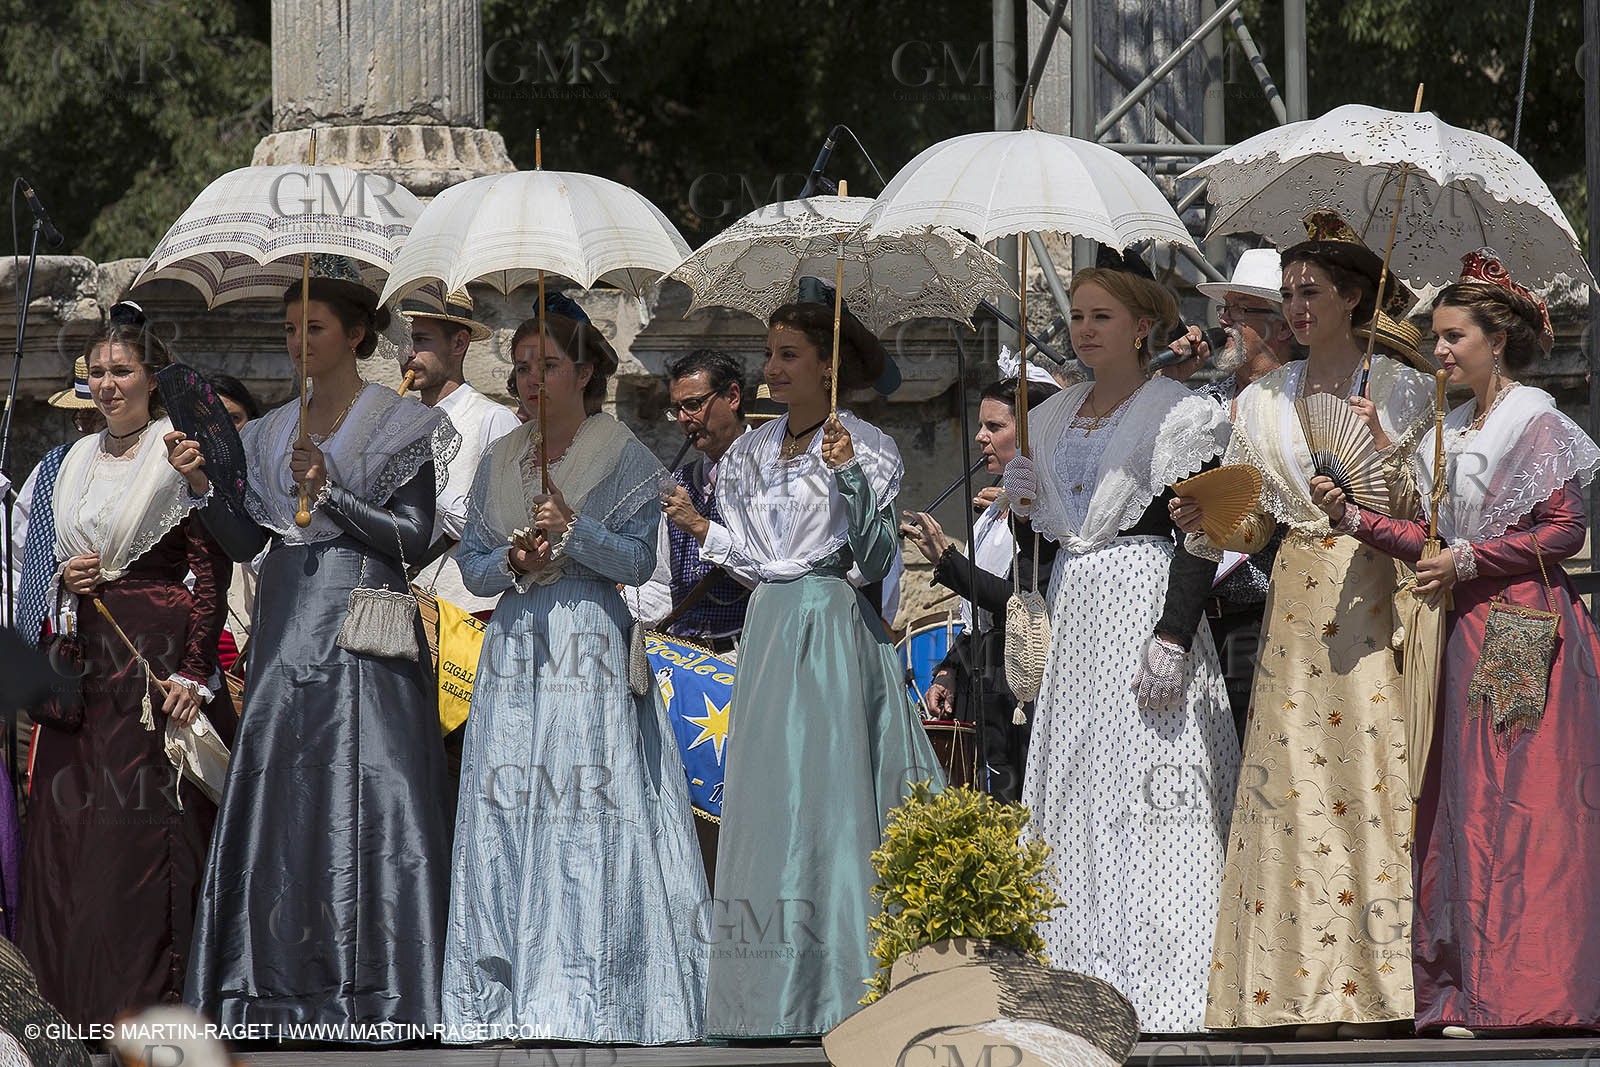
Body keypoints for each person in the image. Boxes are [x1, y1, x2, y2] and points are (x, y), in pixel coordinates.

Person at [1311, 250, 1600, 1037]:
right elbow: (1432, 538)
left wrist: (1474, 557)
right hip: (1464, 625)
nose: (1437, 350)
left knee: (1523, 801)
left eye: (1452, 336)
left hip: (1524, 623)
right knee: (1465, 804)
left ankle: (1529, 989)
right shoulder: (1455, 425)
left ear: (1495, 339)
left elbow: (1566, 527)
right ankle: (1468, 989)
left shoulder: (1532, 417)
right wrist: (1354, 518)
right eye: (1435, 337)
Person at [170, 255, 450, 1032]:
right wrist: (203, 488)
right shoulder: (263, 434)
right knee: (283, 793)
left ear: (357, 334)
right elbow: (245, 539)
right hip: (288, 623)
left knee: (374, 787)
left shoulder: (402, 423)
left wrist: (332, 490)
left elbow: (415, 537)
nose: (299, 341)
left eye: (315, 327)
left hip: (365, 621)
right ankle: (266, 990)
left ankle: (384, 991)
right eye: (290, 328)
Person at [1173, 211, 1434, 1036]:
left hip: (1373, 588)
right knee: (1292, 785)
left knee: (1369, 768)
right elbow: (1256, 526)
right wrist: (1208, 516)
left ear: (1354, 296)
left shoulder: (1400, 388)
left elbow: (1429, 513)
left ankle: (1382, 981)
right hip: (1294, 596)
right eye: (1286, 292)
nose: (1295, 304)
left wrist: (1379, 463)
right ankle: (1290, 983)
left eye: (1311, 290)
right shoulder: (1260, 400)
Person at [443, 299, 707, 1043]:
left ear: (586, 371)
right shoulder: (502, 458)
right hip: (518, 643)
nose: (530, 379)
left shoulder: (621, 452)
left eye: (547, 364)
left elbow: (636, 559)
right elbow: (472, 563)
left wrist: (574, 529)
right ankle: (502, 989)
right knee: (509, 806)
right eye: (521, 367)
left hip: (588, 638)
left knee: (584, 806)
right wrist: (511, 559)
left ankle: (589, 987)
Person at [999, 260, 1236, 1034]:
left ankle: (1165, 988)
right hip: (1075, 607)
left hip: (1143, 601)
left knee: (1150, 788)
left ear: (1143, 326)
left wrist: (1172, 633)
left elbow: (1203, 531)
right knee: (1073, 785)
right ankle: (1075, 982)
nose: (1084, 329)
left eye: (1101, 315)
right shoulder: (1053, 412)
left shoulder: (1180, 411)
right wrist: (1023, 506)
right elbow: (1038, 537)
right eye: (1076, 315)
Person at [698, 299, 944, 1037]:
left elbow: (875, 561)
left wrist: (850, 479)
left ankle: (841, 989)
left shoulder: (865, 444)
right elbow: (751, 557)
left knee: (828, 800)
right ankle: (764, 994)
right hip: (769, 624)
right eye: (769, 354)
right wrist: (705, 533)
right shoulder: (747, 452)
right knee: (767, 797)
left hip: (832, 624)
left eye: (788, 355)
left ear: (828, 363)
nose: (772, 369)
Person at [18, 306, 231, 1022]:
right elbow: (37, 569)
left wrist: (194, 675)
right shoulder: (71, 461)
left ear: (151, 378)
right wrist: (64, 582)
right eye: (97, 373)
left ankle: (137, 1006)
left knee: (132, 844)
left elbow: (210, 568)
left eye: (122, 371)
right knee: (64, 835)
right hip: (81, 666)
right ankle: (63, 1005)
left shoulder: (177, 452)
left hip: (151, 663)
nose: (107, 386)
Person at [898, 357, 1060, 803]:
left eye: (994, 425)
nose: (980, 437)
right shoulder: (992, 511)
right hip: (984, 677)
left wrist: (946, 559)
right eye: (981, 424)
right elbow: (978, 615)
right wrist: (951, 668)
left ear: (1029, 432)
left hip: (1026, 686)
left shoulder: (1047, 513)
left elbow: (1020, 602)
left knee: (1022, 807)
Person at [1193, 249, 1298, 739]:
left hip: (1269, 618)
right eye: (1224, 310)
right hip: (1196, 616)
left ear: (1280, 326)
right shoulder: (1199, 404)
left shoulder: (1305, 406)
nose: (1224, 321)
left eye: (1238, 311)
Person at [398, 289, 519, 621]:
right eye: (402, 341)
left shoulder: (494, 419)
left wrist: (420, 480)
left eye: (420, 340)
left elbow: (503, 530)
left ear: (458, 344)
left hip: (471, 609)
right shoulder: (397, 422)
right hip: (406, 602)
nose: (407, 354)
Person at [628, 348, 752, 653]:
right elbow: (660, 584)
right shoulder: (680, 481)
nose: (684, 419)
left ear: (732, 396)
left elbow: (771, 575)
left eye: (694, 405)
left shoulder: (771, 474)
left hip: (750, 655)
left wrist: (698, 525)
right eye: (677, 409)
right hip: (685, 658)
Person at [9, 355, 108, 647]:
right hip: (63, 636)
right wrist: (60, 577)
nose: (90, 428)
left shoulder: (155, 465)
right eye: (82, 418)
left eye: (99, 417)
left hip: (137, 627)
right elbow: (18, 558)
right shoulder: (53, 467)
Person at [202, 373, 262, 673]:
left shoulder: (270, 486)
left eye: (234, 419)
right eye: (212, 421)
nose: (223, 431)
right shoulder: (171, 487)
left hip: (249, 639)